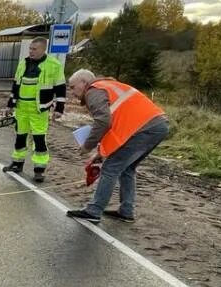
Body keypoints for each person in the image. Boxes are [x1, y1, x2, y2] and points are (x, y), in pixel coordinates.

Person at [64, 70, 170, 223]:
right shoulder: (108, 86)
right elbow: (115, 127)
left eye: (73, 87)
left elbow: (102, 122)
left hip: (143, 129)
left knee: (110, 168)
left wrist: (88, 146)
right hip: (156, 125)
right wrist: (100, 152)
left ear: (84, 83)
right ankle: (126, 211)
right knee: (127, 169)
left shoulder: (93, 91)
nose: (72, 92)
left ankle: (94, 210)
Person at [1, 37, 66, 183]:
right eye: (30, 48)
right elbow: (16, 86)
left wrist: (59, 108)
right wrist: (10, 105)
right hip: (22, 107)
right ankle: (17, 163)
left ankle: (39, 170)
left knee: (39, 139)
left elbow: (61, 88)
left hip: (39, 109)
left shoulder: (54, 65)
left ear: (43, 49)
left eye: (34, 49)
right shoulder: (23, 63)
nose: (31, 51)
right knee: (20, 136)